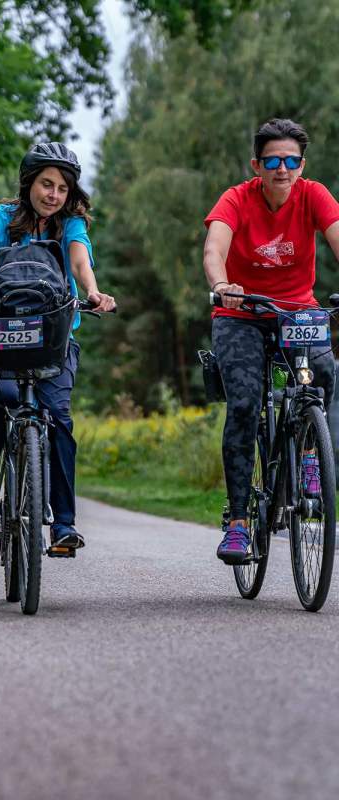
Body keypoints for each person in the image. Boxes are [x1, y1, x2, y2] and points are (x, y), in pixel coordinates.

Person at [0, 142, 116, 548]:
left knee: (60, 418)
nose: (54, 195)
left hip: (53, 337)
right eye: (46, 184)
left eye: (63, 188)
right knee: (0, 398)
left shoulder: (70, 224)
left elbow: (80, 261)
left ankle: (64, 523)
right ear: (28, 183)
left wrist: (93, 291)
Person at [203, 118, 339, 564]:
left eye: (292, 161)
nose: (283, 169)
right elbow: (214, 248)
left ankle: (309, 456)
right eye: (273, 161)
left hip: (297, 312)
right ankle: (239, 521)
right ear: (256, 165)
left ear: (302, 165)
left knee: (323, 373)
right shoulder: (236, 199)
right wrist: (222, 284)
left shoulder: (313, 195)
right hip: (240, 314)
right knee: (244, 405)